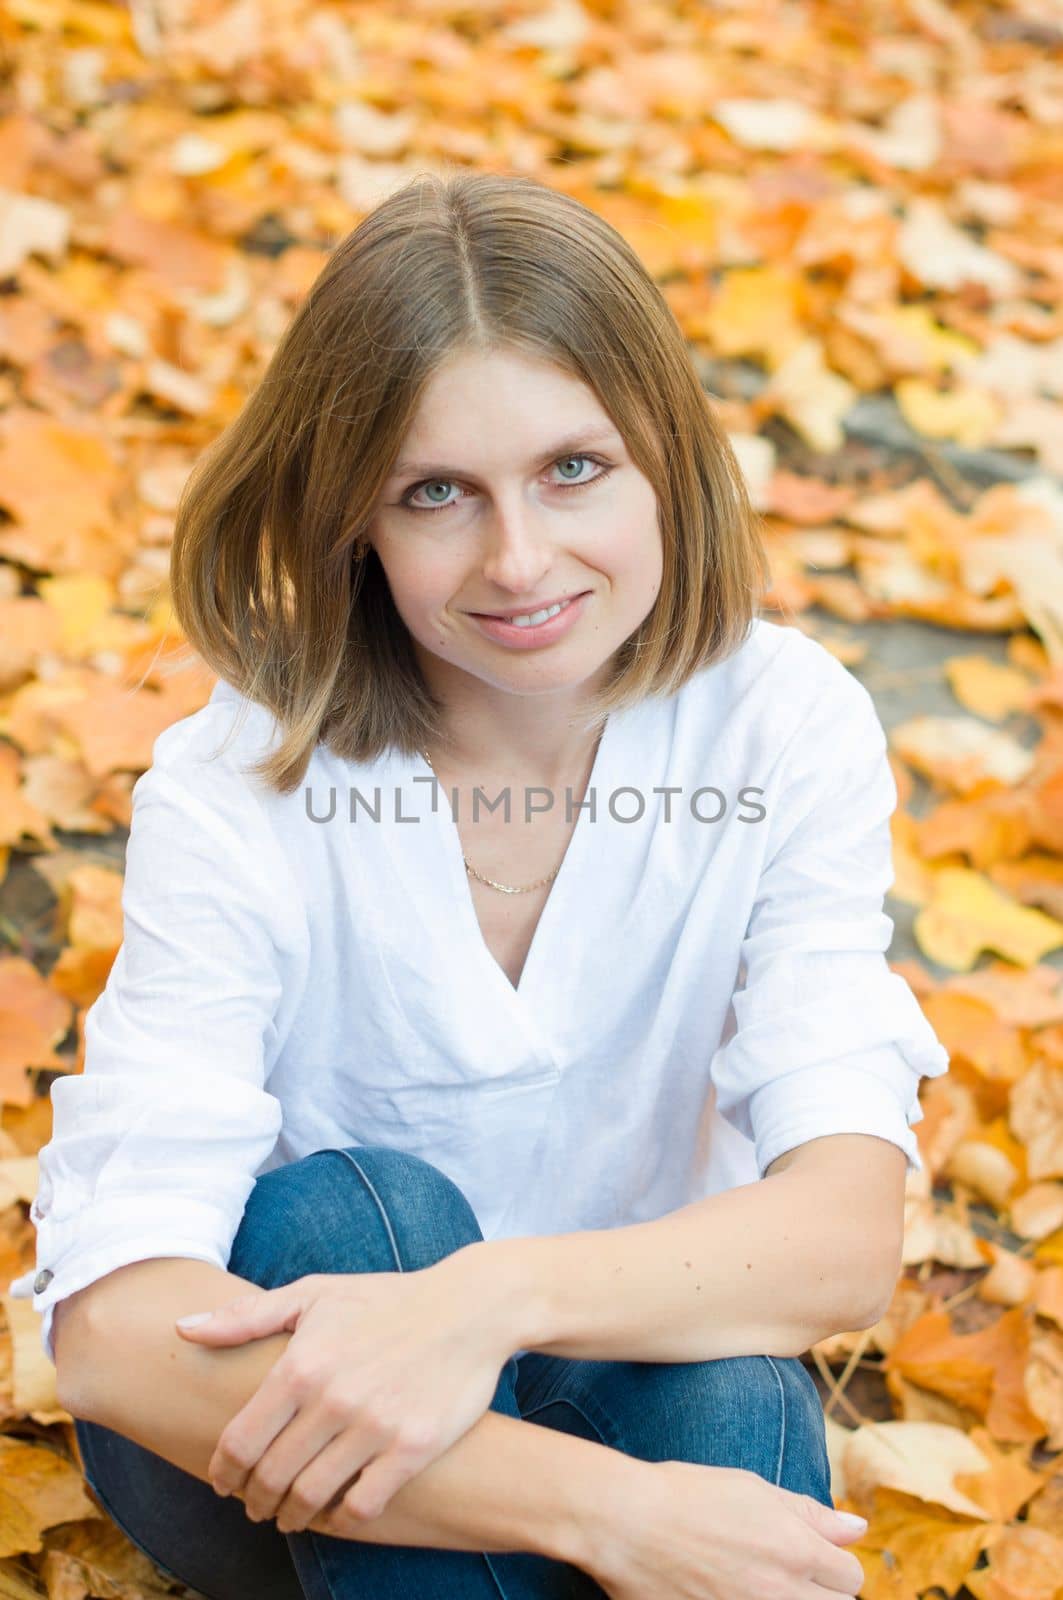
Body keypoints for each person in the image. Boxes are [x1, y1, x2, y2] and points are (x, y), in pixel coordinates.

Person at [10, 168, 950, 1600]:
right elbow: (116, 1330)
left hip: (611, 1366)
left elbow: (842, 1235)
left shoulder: (781, 723)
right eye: (437, 493)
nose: (520, 562)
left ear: (665, 463)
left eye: (574, 470)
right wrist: (597, 1515)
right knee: (348, 1218)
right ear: (355, 525)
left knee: (739, 1403)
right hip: (270, 1448)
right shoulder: (248, 779)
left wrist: (482, 1307)